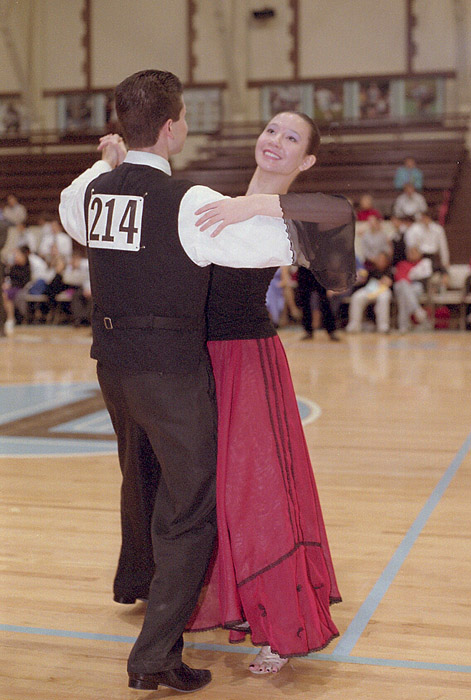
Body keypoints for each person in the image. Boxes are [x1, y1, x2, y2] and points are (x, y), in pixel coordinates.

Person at [59, 70, 354, 693]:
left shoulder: (240, 212)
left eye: (291, 139)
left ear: (308, 161)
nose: (275, 141)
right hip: (189, 361)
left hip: (241, 361)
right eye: (271, 129)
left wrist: (262, 202)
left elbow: (335, 232)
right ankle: (196, 604)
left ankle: (280, 620)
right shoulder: (202, 201)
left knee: (250, 492)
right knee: (191, 494)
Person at [346, 252, 393, 333]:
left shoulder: (390, 270)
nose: (380, 261)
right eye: (379, 259)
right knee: (357, 297)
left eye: (382, 260)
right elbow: (364, 281)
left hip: (384, 290)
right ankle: (354, 325)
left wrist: (387, 282)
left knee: (383, 298)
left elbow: (391, 283)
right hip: (370, 289)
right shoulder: (371, 269)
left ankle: (383, 326)